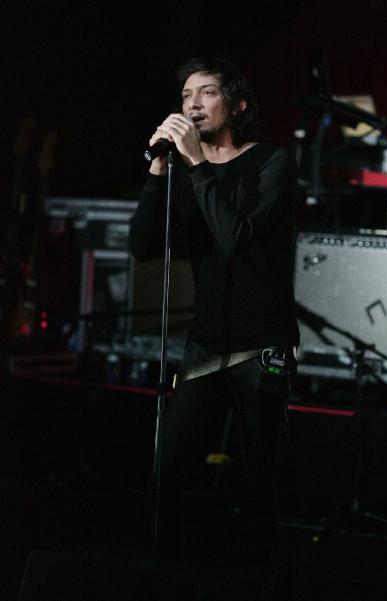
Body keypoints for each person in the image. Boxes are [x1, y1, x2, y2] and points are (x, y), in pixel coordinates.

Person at [130, 55, 299, 581]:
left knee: (256, 477)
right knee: (169, 466)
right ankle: (164, 575)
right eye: (186, 95)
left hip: (261, 343)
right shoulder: (183, 172)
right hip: (206, 343)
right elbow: (142, 247)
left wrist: (197, 164)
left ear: (237, 104)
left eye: (206, 92)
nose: (193, 104)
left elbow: (234, 237)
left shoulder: (271, 163)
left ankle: (256, 579)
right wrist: (159, 170)